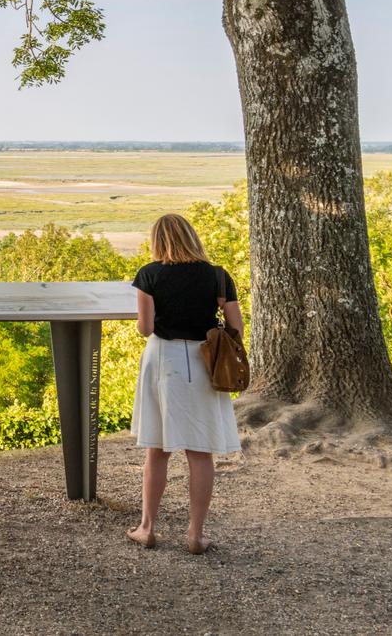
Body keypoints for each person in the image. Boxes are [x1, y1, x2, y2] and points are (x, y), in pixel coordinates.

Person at [127, 213, 243, 554]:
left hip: (163, 360)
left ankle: (147, 528)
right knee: (200, 452)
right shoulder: (218, 277)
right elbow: (236, 327)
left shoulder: (148, 274)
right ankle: (195, 535)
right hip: (205, 362)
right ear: (192, 237)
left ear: (158, 240)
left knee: (158, 451)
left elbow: (146, 328)